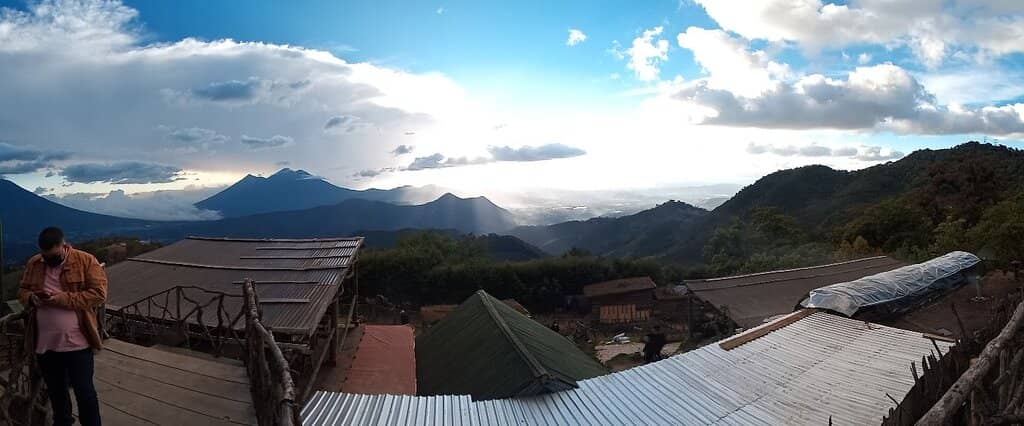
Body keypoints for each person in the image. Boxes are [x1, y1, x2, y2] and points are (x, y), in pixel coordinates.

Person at [19, 227, 106, 426]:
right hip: (45, 344)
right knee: (56, 392)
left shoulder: (85, 261)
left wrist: (61, 299)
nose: (49, 260)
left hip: (78, 343)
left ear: (64, 245)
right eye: (45, 256)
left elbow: (98, 294)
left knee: (84, 392)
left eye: (53, 256)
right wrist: (31, 298)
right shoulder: (35, 263)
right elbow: (23, 290)